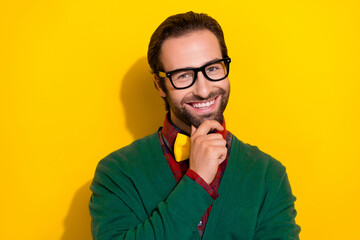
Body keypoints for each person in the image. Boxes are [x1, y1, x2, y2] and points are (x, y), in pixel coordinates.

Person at [89, 11, 300, 240]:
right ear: (160, 85)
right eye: (183, 75)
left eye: (212, 69)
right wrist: (196, 182)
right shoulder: (116, 174)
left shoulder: (269, 175)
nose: (203, 90)